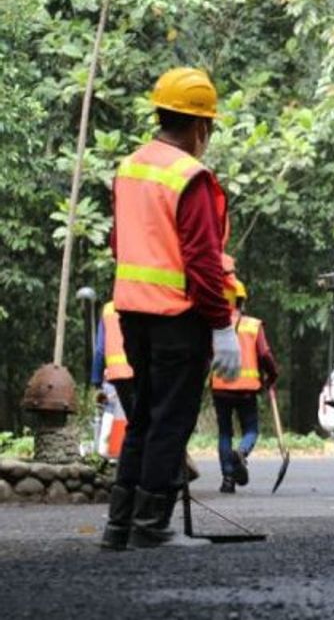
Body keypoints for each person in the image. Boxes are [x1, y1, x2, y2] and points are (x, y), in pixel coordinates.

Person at [101, 67, 241, 550]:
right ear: (201, 127)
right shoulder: (190, 176)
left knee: (143, 418)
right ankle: (152, 527)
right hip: (178, 320)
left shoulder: (130, 167)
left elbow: (120, 243)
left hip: (132, 315)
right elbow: (202, 260)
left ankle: (120, 525)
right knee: (170, 422)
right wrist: (222, 326)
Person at [210, 280, 278, 494]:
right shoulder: (253, 325)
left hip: (220, 387)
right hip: (247, 389)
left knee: (224, 433)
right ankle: (241, 452)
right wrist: (273, 375)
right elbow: (264, 354)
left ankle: (227, 480)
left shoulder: (214, 325)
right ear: (242, 301)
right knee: (251, 429)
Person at [91, 300, 134, 459]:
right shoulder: (141, 304)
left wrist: (96, 380)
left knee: (110, 412)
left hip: (114, 374)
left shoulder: (108, 309)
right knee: (138, 420)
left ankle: (103, 455)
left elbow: (100, 350)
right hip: (137, 372)